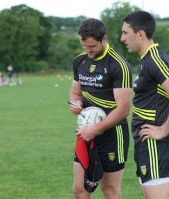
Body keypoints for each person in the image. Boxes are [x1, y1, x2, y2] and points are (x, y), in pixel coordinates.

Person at [121, 11, 169, 199]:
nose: (122, 38)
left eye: (126, 33)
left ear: (140, 34)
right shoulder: (147, 60)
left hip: (155, 145)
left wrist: (163, 130)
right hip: (145, 143)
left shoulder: (155, 60)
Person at [69, 18, 133, 199]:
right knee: (80, 189)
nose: (87, 51)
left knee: (110, 190)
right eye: (84, 46)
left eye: (92, 46)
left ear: (104, 39)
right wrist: (76, 104)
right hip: (85, 133)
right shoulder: (80, 61)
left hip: (112, 135)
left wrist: (95, 130)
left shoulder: (118, 65)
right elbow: (75, 92)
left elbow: (123, 110)